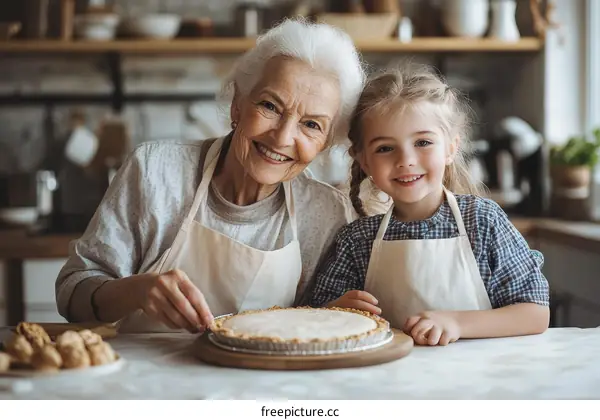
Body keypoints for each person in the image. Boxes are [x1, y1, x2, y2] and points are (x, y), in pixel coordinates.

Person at [55, 18, 366, 333]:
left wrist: (331, 316)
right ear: (237, 106)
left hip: (263, 381)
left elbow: (315, 331)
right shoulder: (154, 171)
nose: (283, 137)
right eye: (270, 106)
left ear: (325, 144)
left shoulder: (327, 213)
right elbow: (73, 291)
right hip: (146, 377)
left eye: (311, 125)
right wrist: (136, 290)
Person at [308, 63, 550, 346]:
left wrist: (456, 323)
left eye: (422, 142)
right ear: (363, 160)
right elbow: (315, 319)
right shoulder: (357, 240)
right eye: (385, 148)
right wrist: (338, 310)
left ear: (450, 147)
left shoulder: (483, 222)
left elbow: (535, 314)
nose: (405, 160)